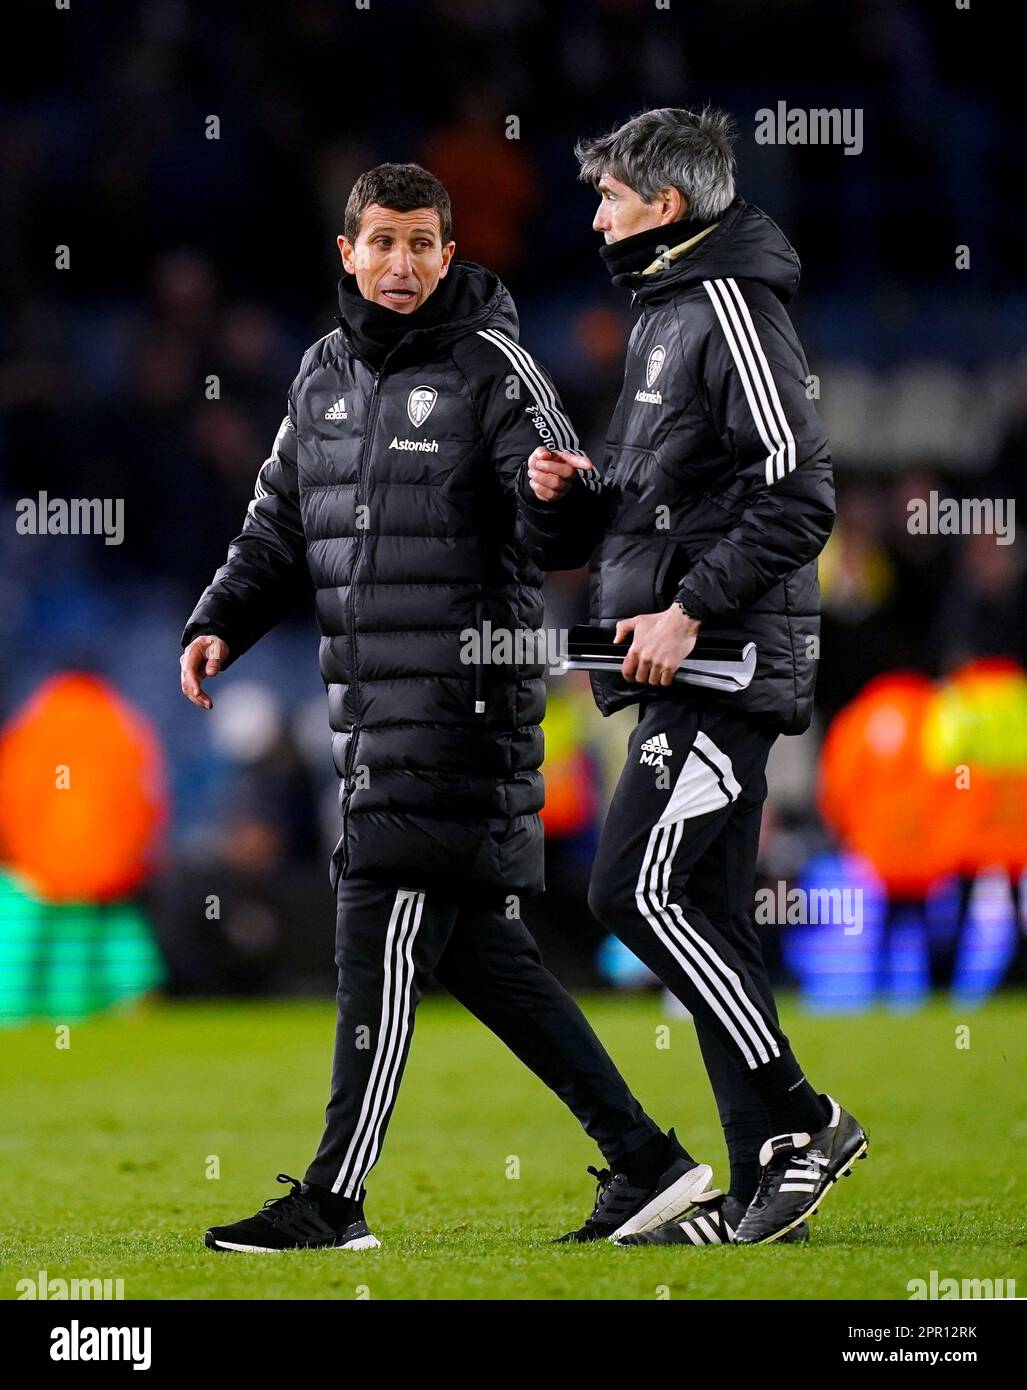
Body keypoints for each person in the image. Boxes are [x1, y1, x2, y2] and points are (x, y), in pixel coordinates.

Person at [180, 162, 713, 1252]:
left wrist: (558, 496)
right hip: (371, 709)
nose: (403, 263)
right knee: (478, 952)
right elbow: (279, 527)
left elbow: (558, 514)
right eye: (383, 241)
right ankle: (648, 1162)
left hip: (464, 702)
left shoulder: (495, 366)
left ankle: (333, 1200)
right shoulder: (320, 377)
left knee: (371, 919)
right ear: (348, 254)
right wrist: (220, 620)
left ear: (449, 253)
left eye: (423, 243)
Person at [527, 109, 867, 1246]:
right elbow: (678, 493)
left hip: (722, 659)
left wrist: (685, 607)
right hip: (691, 656)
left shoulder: (726, 304)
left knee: (632, 889)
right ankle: (771, 1166)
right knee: (710, 910)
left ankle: (804, 1116)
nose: (596, 216)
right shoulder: (672, 310)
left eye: (610, 197)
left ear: (666, 209)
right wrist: (584, 490)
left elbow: (799, 487)